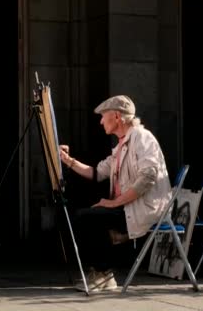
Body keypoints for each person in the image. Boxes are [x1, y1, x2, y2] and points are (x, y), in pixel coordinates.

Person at [60, 95, 172, 292]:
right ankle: (103, 273)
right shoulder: (121, 145)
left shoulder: (142, 138)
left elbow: (148, 177)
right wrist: (67, 160)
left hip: (143, 209)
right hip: (127, 207)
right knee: (86, 214)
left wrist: (114, 203)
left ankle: (104, 274)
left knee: (86, 217)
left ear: (117, 116)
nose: (101, 121)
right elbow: (96, 173)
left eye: (104, 116)